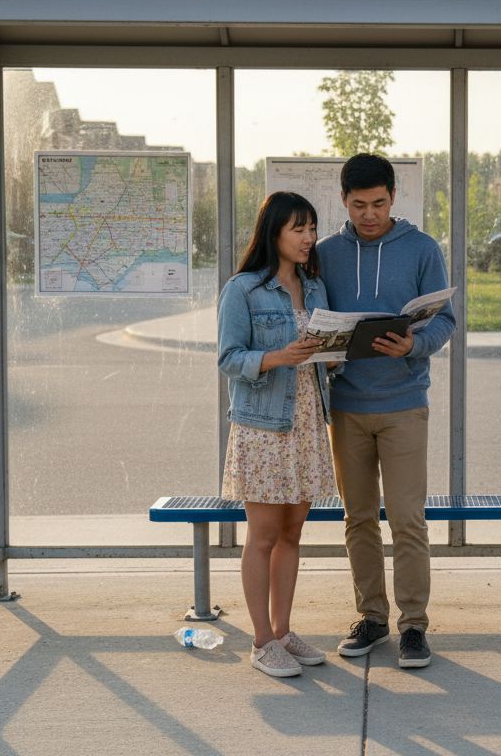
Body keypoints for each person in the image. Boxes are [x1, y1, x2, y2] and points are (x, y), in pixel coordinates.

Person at [316, 153, 455, 669]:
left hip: (403, 405)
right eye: (358, 205)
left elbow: (446, 322)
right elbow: (315, 318)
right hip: (347, 407)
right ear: (344, 201)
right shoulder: (327, 252)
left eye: (378, 204)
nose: (368, 214)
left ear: (394, 198)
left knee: (407, 519)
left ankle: (414, 626)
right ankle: (371, 617)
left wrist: (413, 347)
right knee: (358, 520)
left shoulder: (421, 249)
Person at [218, 191, 334, 678]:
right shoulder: (242, 289)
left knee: (292, 532)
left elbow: (326, 353)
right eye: (298, 229)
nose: (309, 238)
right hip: (264, 426)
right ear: (275, 233)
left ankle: (284, 632)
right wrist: (276, 357)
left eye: (311, 229)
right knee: (263, 535)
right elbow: (228, 358)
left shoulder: (315, 287)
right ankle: (262, 640)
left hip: (307, 421)